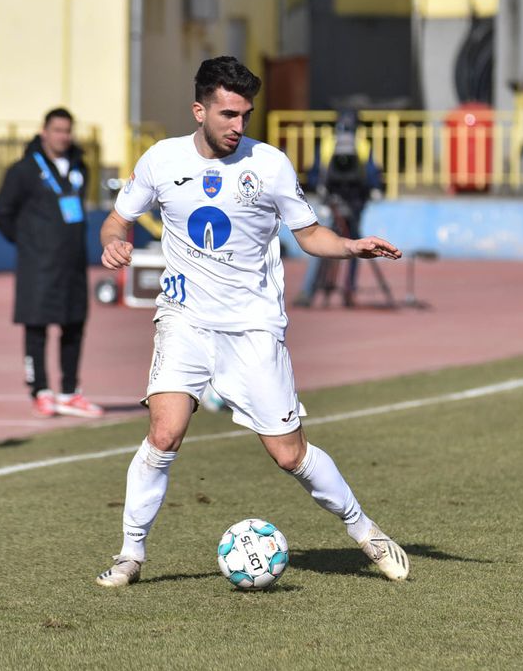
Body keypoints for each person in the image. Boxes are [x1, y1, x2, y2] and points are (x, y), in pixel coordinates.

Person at [94, 56, 410, 587]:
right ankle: (130, 554)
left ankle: (365, 531)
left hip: (252, 327)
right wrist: (112, 243)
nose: (239, 125)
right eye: (228, 114)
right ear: (199, 111)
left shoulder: (269, 165)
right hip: (184, 319)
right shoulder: (161, 159)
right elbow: (116, 219)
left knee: (289, 454)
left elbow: (309, 235)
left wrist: (351, 246)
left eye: (246, 114)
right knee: (164, 434)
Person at [0, 108, 103, 418]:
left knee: (74, 324)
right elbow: (2, 213)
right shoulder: (24, 170)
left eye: (67, 131)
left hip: (73, 261)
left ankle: (69, 392)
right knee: (37, 326)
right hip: (38, 264)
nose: (63, 137)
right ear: (44, 132)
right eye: (57, 130)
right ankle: (40, 390)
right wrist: (28, 242)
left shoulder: (80, 166)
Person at [294, 109, 382, 307]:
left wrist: (321, 190)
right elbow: (372, 174)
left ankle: (308, 292)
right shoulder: (363, 144)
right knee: (356, 246)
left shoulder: (327, 143)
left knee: (319, 242)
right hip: (355, 202)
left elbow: (315, 173)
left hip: (331, 201)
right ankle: (349, 290)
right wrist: (374, 190)